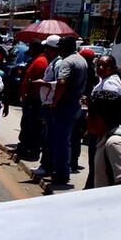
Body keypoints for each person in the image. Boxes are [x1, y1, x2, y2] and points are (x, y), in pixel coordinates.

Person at [39, 36, 88, 185]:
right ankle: (61, 170)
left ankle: (61, 174)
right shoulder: (81, 60)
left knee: (60, 141)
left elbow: (61, 82)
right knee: (66, 140)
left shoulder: (67, 62)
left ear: (64, 47)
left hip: (65, 105)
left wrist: (55, 102)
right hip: (75, 105)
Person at [86, 89, 121, 187]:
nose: (86, 117)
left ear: (98, 119)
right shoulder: (107, 138)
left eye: (89, 113)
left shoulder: (115, 143)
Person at [19, 37, 56, 161]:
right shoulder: (38, 60)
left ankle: (31, 151)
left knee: (33, 127)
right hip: (31, 99)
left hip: (34, 100)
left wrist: (28, 95)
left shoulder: (40, 62)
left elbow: (35, 83)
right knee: (29, 125)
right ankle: (27, 149)